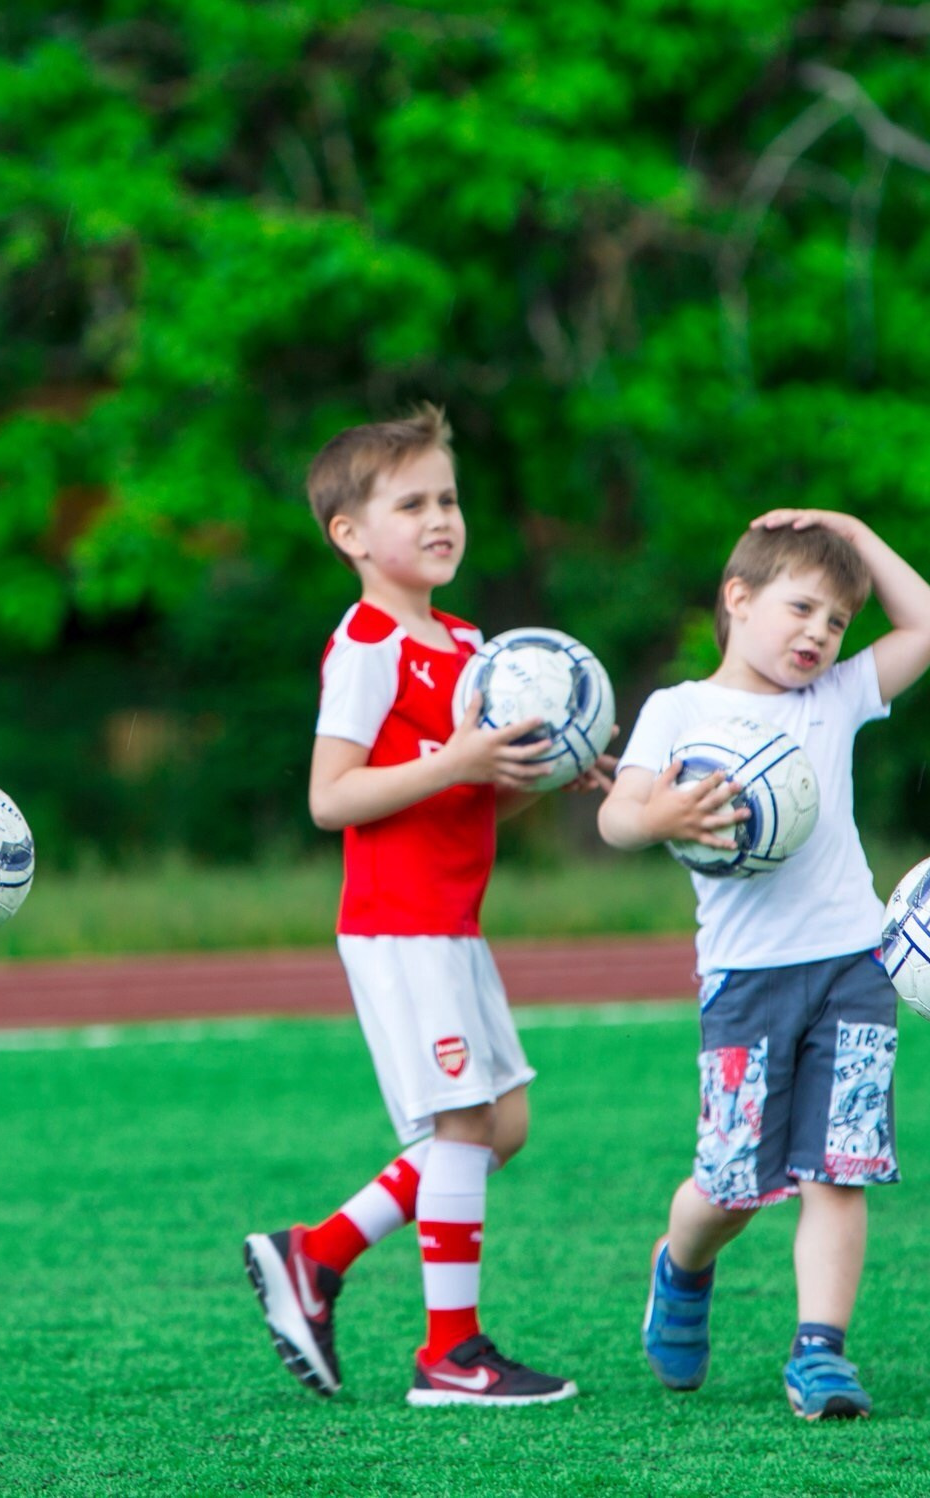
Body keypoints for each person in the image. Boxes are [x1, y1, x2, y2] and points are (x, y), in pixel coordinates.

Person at [242, 404, 608, 1408]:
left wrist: (548, 768)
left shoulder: (469, 643)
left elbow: (468, 787)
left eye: (447, 498)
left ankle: (314, 1253)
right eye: (411, 503)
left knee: (503, 1125)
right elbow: (332, 796)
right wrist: (454, 757)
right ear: (350, 536)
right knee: (459, 1130)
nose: (440, 517)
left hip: (453, 925)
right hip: (398, 923)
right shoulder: (367, 645)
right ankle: (450, 1353)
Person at [599, 510, 930, 1420]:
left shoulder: (833, 695)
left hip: (854, 964)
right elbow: (616, 816)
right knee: (734, 1185)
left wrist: (859, 534)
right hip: (746, 979)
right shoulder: (680, 710)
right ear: (738, 598)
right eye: (800, 609)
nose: (818, 634)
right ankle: (681, 1265)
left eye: (835, 621)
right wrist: (659, 818)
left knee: (841, 1166)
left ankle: (820, 1351)